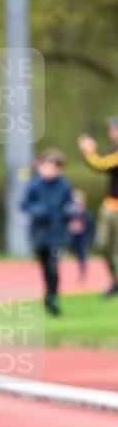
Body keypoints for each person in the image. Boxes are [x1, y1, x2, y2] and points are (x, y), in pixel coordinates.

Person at [20, 149, 73, 315]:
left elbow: (70, 204)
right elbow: (24, 204)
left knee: (53, 266)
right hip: (39, 232)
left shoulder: (64, 184)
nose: (51, 170)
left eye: (55, 167)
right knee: (45, 266)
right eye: (49, 166)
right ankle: (48, 293)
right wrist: (39, 211)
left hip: (57, 232)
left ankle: (53, 297)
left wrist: (69, 213)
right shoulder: (35, 183)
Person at [78, 116, 118, 297]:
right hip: (110, 205)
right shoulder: (113, 148)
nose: (112, 133)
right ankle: (115, 280)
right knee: (102, 244)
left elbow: (102, 164)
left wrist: (89, 152)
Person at [66, 188, 95, 282]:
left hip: (82, 238)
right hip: (71, 237)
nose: (77, 201)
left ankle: (82, 272)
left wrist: (90, 239)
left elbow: (91, 227)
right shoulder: (70, 212)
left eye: (78, 198)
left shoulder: (87, 213)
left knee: (82, 255)